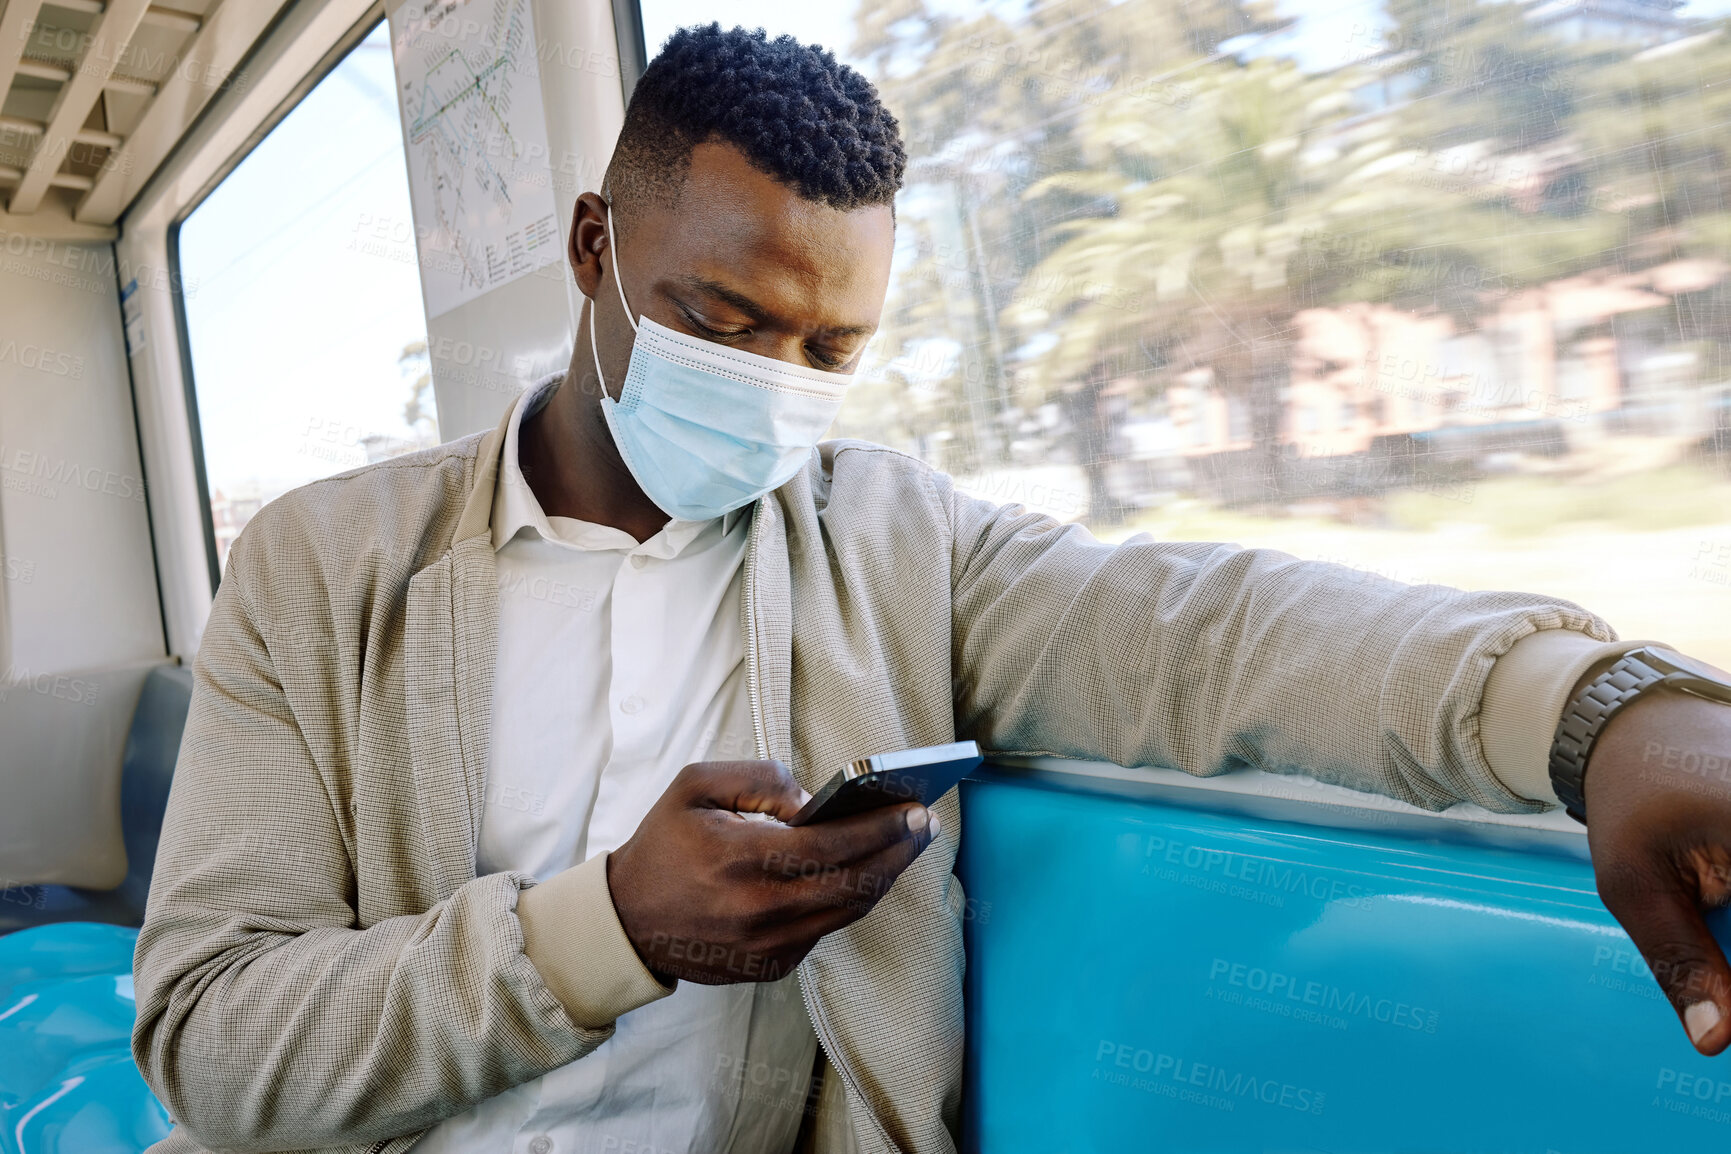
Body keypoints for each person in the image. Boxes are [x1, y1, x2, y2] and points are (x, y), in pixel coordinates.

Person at [132, 23, 1731, 1154]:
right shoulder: (325, 569)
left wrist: (1601, 709)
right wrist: (605, 928)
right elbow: (211, 1037)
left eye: (831, 350)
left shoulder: (898, 544)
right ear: (591, 249)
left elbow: (1204, 633)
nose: (778, 384)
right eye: (726, 319)